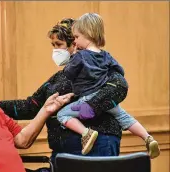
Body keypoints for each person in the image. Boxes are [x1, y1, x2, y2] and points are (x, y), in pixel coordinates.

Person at [0, 18, 127, 166]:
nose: (55, 50)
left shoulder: (100, 65)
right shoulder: (59, 77)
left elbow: (119, 86)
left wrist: (88, 107)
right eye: (53, 45)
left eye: (59, 44)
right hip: (62, 151)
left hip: (98, 145)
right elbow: (30, 106)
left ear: (75, 43)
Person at [56, 13, 160, 158]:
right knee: (124, 117)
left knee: (62, 114)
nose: (75, 41)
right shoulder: (106, 55)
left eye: (77, 37)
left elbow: (67, 73)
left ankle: (86, 133)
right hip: (105, 98)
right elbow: (120, 71)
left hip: (88, 98)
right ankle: (147, 138)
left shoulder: (80, 56)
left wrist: (72, 57)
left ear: (88, 34)